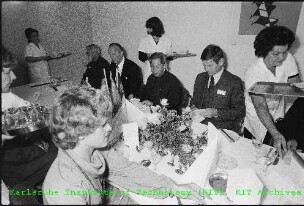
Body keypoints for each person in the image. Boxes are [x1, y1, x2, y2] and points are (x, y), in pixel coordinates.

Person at [43, 86, 205, 205]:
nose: (110, 128)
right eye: (103, 125)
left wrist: (172, 186)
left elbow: (127, 169)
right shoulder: (64, 190)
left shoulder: (94, 149)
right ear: (81, 133)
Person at [1, 45, 58, 204]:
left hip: (19, 158)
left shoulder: (6, 95)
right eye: (7, 72)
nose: (13, 77)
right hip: (11, 167)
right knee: (60, 152)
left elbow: (31, 109)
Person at [244, 25, 302, 157]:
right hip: (258, 117)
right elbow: (260, 108)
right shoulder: (253, 72)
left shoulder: (289, 59)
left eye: (285, 51)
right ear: (264, 51)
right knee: (267, 152)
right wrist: (276, 134)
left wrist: (292, 130)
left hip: (279, 112)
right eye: (276, 53)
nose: (282, 57)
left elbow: (296, 90)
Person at [190, 44, 245, 133]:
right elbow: (194, 101)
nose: (206, 69)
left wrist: (216, 112)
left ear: (221, 62)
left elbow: (239, 111)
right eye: (204, 65)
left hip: (223, 130)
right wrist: (193, 109)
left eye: (210, 66)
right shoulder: (200, 78)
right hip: (200, 128)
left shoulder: (234, 82)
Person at [138, 17, 172, 84]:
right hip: (150, 70)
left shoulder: (166, 39)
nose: (147, 29)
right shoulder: (145, 40)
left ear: (155, 27)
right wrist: (149, 55)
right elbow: (141, 57)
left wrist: (172, 56)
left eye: (149, 27)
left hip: (163, 71)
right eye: (147, 27)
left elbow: (169, 56)